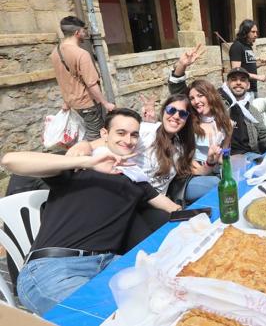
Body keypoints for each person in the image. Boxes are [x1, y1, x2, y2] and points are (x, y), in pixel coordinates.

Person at [1, 109, 181, 315]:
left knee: (166, 299)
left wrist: (186, 213)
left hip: (109, 266)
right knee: (112, 316)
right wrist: (86, 161)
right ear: (105, 134)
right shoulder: (78, 166)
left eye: (134, 134)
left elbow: (167, 205)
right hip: (54, 268)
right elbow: (10, 160)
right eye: (121, 133)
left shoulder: (136, 179)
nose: (128, 140)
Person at [68, 94, 200, 202]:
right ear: (164, 111)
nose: (176, 116)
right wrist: (83, 145)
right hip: (136, 198)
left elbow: (193, 168)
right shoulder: (146, 132)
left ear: (187, 119)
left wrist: (211, 161)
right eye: (171, 110)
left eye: (182, 114)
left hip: (159, 200)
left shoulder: (182, 144)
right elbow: (102, 142)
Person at [51, 16, 115, 140]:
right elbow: (91, 84)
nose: (85, 33)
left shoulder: (55, 52)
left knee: (84, 133)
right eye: (83, 30)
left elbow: (64, 78)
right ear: (77, 33)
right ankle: (84, 157)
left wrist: (66, 102)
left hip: (73, 103)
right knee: (95, 136)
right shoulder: (81, 54)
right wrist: (105, 103)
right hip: (87, 104)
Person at [229, 19, 266, 97]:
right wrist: (258, 77)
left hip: (252, 88)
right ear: (245, 32)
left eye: (256, 32)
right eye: (253, 32)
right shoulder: (237, 46)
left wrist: (260, 64)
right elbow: (236, 71)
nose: (256, 35)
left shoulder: (248, 46)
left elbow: (247, 65)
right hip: (243, 90)